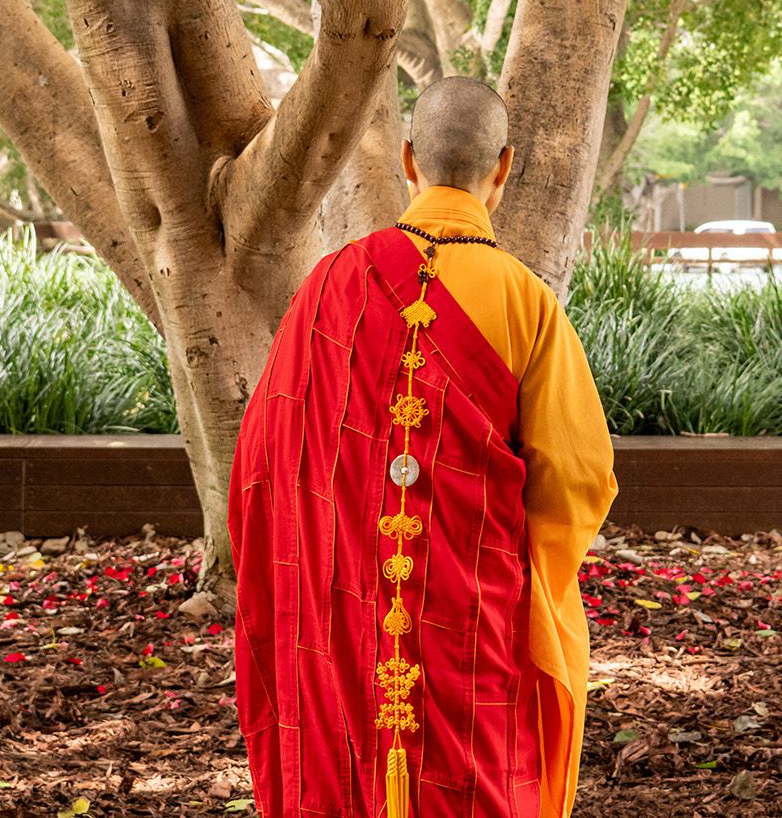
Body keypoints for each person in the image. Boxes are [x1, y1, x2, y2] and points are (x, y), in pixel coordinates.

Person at [231, 79, 617, 818]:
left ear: (408, 159)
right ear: (503, 169)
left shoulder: (331, 285)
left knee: (347, 768)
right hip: (475, 615)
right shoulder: (525, 300)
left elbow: (265, 461)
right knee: (483, 780)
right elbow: (579, 475)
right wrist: (524, 570)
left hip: (347, 609)